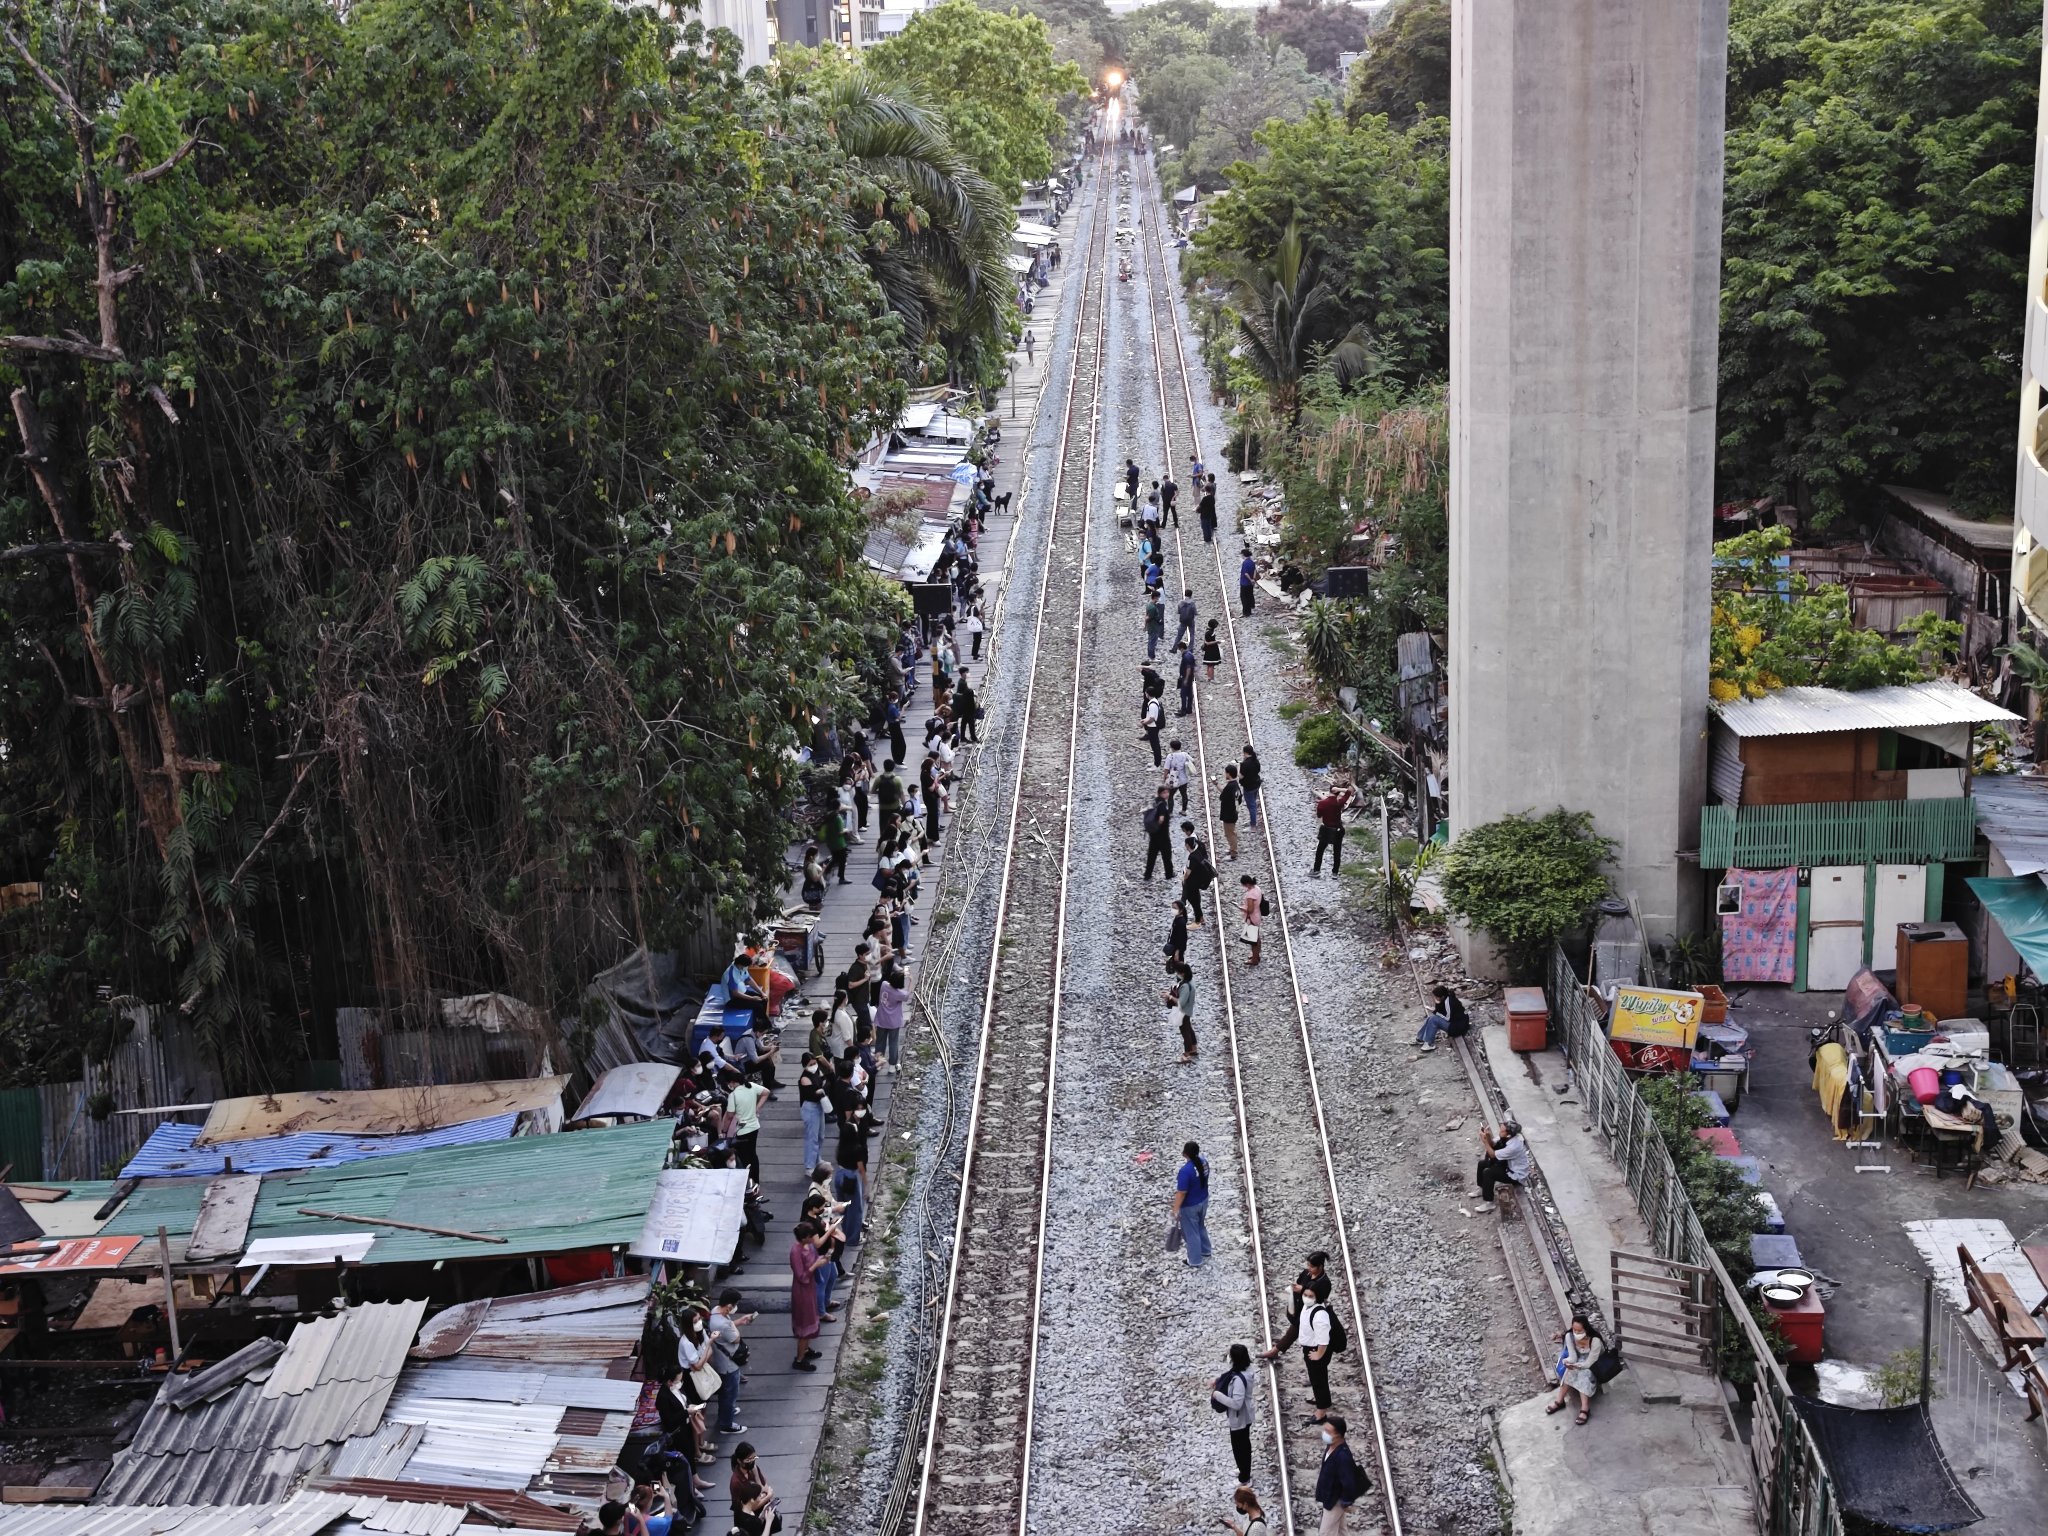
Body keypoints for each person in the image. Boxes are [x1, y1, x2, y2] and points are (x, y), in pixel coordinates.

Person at [1260, 1251, 1332, 1361]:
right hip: (1300, 1309)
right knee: (1295, 1330)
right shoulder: (1306, 1273)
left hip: (1310, 1312)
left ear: (1320, 1267)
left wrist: (1302, 1290)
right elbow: (1300, 1283)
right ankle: (1275, 1351)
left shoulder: (1324, 1283)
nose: (1309, 1268)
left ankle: (1275, 1351)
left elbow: (1320, 1298)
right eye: (1308, 1265)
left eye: (1312, 1267)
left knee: (1295, 1331)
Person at [707, 1288, 755, 1434]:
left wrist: (739, 1321)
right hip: (728, 1364)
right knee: (730, 1393)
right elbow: (736, 1339)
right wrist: (736, 1327)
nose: (735, 1308)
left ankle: (726, 1413)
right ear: (729, 1306)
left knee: (726, 1392)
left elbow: (728, 1327)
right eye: (734, 1305)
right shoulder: (723, 1324)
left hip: (722, 1360)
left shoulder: (715, 1312)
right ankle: (726, 1424)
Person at [1314, 1415, 1368, 1534]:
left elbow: (1348, 1481)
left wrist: (1346, 1502)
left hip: (1335, 1500)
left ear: (1338, 1435)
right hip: (1329, 1496)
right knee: (1341, 1530)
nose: (1325, 1434)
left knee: (1325, 1533)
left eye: (1328, 1432)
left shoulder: (1343, 1456)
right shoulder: (1331, 1446)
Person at [1547, 1315, 1605, 1424]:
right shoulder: (1570, 1336)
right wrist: (1567, 1362)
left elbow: (1590, 1362)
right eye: (1575, 1330)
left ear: (1586, 1329)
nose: (1577, 1333)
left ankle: (1585, 1408)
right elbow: (1573, 1356)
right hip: (1578, 1361)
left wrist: (1578, 1366)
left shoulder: (1595, 1340)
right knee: (1569, 1372)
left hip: (1594, 1363)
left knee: (1584, 1374)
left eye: (1580, 1331)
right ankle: (1560, 1401)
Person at [1211, 1342, 1254, 1484]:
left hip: (1239, 1418)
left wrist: (1217, 1395)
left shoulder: (1239, 1380)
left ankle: (1244, 1477)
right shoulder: (1245, 1371)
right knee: (1242, 1444)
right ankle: (1243, 1469)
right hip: (1243, 1417)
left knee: (1240, 1447)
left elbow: (1236, 1404)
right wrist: (1218, 1381)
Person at [835, 1101, 872, 1246]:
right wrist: (866, 1186)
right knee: (855, 1210)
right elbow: (861, 1169)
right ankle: (852, 1239)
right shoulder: (857, 1149)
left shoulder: (841, 1147)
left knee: (844, 1207)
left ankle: (844, 1231)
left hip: (840, 1176)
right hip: (851, 1177)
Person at [729, 1441, 783, 1534]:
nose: (752, 1461)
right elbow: (746, 1507)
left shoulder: (753, 1469)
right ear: (739, 1461)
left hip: (759, 1512)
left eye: (753, 1458)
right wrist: (767, 1497)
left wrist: (756, 1474)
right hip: (747, 1520)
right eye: (748, 1459)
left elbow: (764, 1486)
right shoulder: (736, 1482)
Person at [789, 1223, 823, 1372]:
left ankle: (806, 1350)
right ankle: (799, 1359)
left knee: (811, 1318)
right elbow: (801, 1276)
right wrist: (816, 1265)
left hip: (810, 1288)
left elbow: (815, 1258)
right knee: (805, 1324)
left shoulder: (808, 1246)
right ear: (804, 1238)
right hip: (802, 1290)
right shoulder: (795, 1251)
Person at [1173, 1139, 1211, 1266]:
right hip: (1203, 1200)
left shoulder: (1185, 1171)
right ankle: (1206, 1250)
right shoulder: (1204, 1162)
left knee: (1191, 1233)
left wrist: (1175, 1209)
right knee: (1200, 1225)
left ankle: (1195, 1260)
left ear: (1185, 1154)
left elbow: (1181, 1192)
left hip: (1190, 1206)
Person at [725, 1070, 768, 1180]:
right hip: (754, 1126)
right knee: (753, 1154)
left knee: (744, 1157)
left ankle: (747, 1181)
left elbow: (729, 1116)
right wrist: (757, 1108)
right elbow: (766, 1092)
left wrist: (724, 1131)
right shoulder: (752, 1086)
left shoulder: (733, 1095)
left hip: (742, 1130)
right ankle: (756, 1181)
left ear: (733, 1082)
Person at [1475, 1121, 1532, 1204]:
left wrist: (1485, 1142)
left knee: (1488, 1173)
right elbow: (1493, 1144)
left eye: (1501, 1131)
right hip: (1507, 1165)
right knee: (1482, 1164)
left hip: (1515, 1175)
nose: (1499, 1132)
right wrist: (1487, 1136)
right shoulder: (1509, 1136)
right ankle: (1482, 1187)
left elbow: (1493, 1154)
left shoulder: (1514, 1146)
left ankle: (1489, 1202)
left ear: (1508, 1134)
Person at [1300, 1293, 1336, 1422]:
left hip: (1316, 1350)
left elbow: (1323, 1340)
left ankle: (1321, 1412)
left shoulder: (1319, 1314)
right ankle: (1321, 1403)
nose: (1306, 1297)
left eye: (1310, 1295)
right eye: (1305, 1294)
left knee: (1319, 1380)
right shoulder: (1309, 1307)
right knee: (1316, 1378)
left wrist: (1318, 1355)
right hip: (1311, 1348)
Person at [721, 947, 772, 1030]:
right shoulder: (731, 974)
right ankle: (766, 1027)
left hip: (743, 993)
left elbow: (749, 980)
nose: (747, 968)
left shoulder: (741, 967)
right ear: (741, 965)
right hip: (732, 999)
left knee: (763, 999)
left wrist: (762, 993)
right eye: (747, 966)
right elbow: (735, 993)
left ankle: (760, 1023)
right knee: (757, 1005)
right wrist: (752, 998)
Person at [1312, 783, 1355, 876]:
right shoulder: (1339, 803)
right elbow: (1349, 792)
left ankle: (1316, 870)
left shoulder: (1322, 803)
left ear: (1329, 791)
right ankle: (1335, 873)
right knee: (1337, 851)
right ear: (1337, 793)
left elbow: (1319, 815)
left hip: (1326, 830)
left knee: (1320, 850)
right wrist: (1339, 788)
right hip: (1338, 830)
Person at [797, 1052, 827, 1173]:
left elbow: (825, 1082)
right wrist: (821, 1090)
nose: (814, 1066)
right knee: (812, 1137)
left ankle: (817, 1158)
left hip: (819, 1105)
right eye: (811, 1064)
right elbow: (812, 1094)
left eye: (815, 1063)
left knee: (820, 1135)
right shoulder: (804, 1078)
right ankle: (809, 1166)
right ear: (805, 1065)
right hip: (810, 1107)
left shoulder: (817, 1072)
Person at [1415, 985, 1470, 1051]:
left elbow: (1448, 1018)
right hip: (1454, 1023)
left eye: (1436, 997)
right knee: (1430, 1018)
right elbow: (1442, 1011)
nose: (1435, 998)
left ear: (1442, 996)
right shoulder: (1445, 999)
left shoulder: (1450, 1002)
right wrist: (1437, 1006)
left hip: (1457, 1027)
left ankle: (1429, 1044)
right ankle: (1420, 1038)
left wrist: (1435, 1012)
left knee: (1433, 1020)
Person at [875, 964, 908, 1068]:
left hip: (881, 1019)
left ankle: (879, 1062)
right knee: (893, 1043)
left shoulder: (884, 985)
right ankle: (892, 1066)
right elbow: (907, 995)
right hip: (893, 1022)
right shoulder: (899, 994)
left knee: (880, 1042)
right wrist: (910, 981)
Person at [1163, 961, 1197, 1062]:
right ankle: (1194, 1048)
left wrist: (1169, 997)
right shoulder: (1189, 982)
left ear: (1182, 973)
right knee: (1189, 1029)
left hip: (1183, 1011)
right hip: (1188, 1009)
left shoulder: (1185, 986)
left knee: (1185, 1031)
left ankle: (1187, 1054)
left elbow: (1181, 1002)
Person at [1143, 787, 1176, 881]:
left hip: (1153, 834)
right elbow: (1161, 818)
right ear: (1160, 793)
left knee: (1151, 855)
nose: (1167, 794)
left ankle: (1147, 875)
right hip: (1162, 835)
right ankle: (1169, 874)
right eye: (1164, 793)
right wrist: (1158, 825)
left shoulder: (1155, 802)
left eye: (1167, 792)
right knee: (1166, 855)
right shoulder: (1162, 805)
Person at [1218, 764, 1242, 859]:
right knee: (1231, 832)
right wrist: (1216, 785)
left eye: (1226, 773)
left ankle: (1233, 853)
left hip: (1228, 814)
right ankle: (1232, 848)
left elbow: (1223, 797)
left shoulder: (1230, 786)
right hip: (1233, 813)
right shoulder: (1235, 785)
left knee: (1230, 834)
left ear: (1228, 774)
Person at [1162, 738, 1192, 813]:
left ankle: (1170, 811)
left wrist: (1164, 777)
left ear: (1172, 748)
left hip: (1173, 779)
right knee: (1184, 794)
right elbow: (1192, 761)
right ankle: (1184, 810)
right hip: (1183, 778)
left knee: (1170, 795)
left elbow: (1166, 768)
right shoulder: (1184, 754)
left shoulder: (1170, 756)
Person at [1240, 873, 1264, 966]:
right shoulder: (1257, 888)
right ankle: (1256, 955)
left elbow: (1250, 909)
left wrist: (1241, 908)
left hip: (1252, 918)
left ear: (1247, 884)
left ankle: (1254, 960)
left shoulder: (1250, 895)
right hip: (1257, 916)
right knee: (1257, 938)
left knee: (1253, 941)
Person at [954, 671, 981, 745]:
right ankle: (973, 737)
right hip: (970, 714)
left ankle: (963, 737)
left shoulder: (962, 699)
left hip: (964, 714)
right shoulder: (971, 701)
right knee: (971, 726)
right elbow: (975, 706)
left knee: (963, 725)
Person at [1239, 745, 1262, 829]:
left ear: (1245, 753)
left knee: (1251, 805)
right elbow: (1258, 770)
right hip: (1256, 784)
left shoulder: (1245, 764)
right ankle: (1253, 820)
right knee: (1253, 803)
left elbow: (1240, 776)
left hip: (1248, 787)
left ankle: (1253, 825)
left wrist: (1238, 767)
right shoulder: (1255, 761)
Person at [1141, 690, 1165, 768]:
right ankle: (1156, 762)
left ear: (1148, 694)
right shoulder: (1155, 702)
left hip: (1153, 727)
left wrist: (1143, 723)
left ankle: (1157, 764)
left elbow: (1152, 718)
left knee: (1155, 745)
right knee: (1155, 745)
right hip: (1153, 726)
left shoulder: (1152, 705)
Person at [1163, 897, 1189, 969]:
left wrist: (1177, 952)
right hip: (1174, 947)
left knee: (1179, 965)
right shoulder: (1177, 919)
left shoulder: (1181, 922)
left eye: (1175, 908)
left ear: (1181, 910)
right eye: (1172, 908)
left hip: (1177, 948)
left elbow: (1182, 938)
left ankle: (1182, 979)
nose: (1173, 910)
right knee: (1176, 965)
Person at [1176, 643, 1197, 717]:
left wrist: (1186, 679)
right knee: (1189, 693)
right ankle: (1189, 709)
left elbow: (1188, 668)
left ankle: (1183, 710)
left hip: (1186, 677)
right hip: (1190, 677)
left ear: (1181, 648)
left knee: (1183, 694)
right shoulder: (1190, 654)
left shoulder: (1186, 656)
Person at [1145, 592, 1167, 660]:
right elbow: (1149, 618)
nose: (1158, 599)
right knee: (1152, 642)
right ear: (1155, 597)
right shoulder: (1153, 608)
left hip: (1151, 627)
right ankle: (1152, 656)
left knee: (1151, 641)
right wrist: (1159, 621)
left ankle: (1150, 655)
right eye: (1158, 597)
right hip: (1153, 627)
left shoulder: (1149, 605)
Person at [1197, 479, 1218, 544]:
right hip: (1209, 513)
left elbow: (1200, 505)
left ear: (1206, 490)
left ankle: (1206, 539)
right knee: (1208, 526)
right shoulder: (1212, 498)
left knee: (1204, 527)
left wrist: (1197, 509)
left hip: (1204, 514)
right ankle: (1209, 537)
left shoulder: (1205, 498)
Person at [1239, 547, 1257, 617]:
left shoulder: (1245, 563)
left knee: (1244, 598)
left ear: (1243, 555)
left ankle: (1246, 612)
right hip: (1250, 584)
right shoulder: (1252, 562)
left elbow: (1246, 573)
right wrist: (1253, 579)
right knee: (1250, 595)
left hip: (1245, 583)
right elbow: (1255, 570)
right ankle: (1251, 607)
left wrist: (1250, 579)